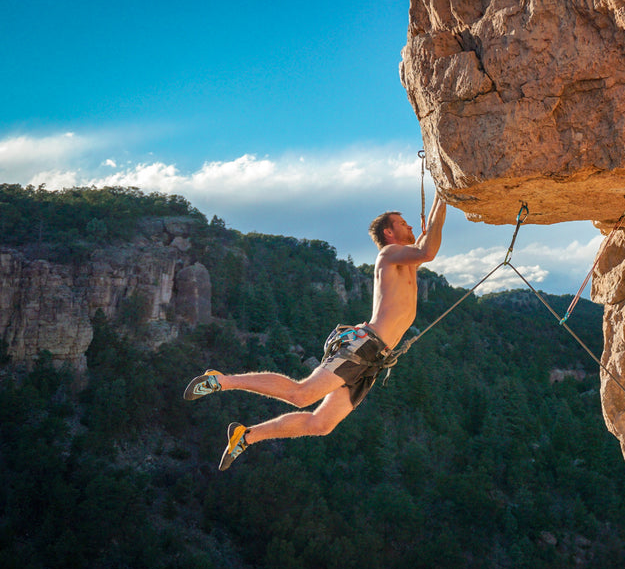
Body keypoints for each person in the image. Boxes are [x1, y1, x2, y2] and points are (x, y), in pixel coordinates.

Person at [184, 194, 447, 470]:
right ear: (388, 232)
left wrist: (439, 204)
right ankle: (221, 381)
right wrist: (443, 195)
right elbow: (427, 249)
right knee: (302, 395)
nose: (410, 227)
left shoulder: (406, 262)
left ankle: (246, 436)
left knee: (321, 424)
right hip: (365, 347)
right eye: (403, 224)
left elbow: (426, 242)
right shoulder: (388, 254)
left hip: (374, 359)